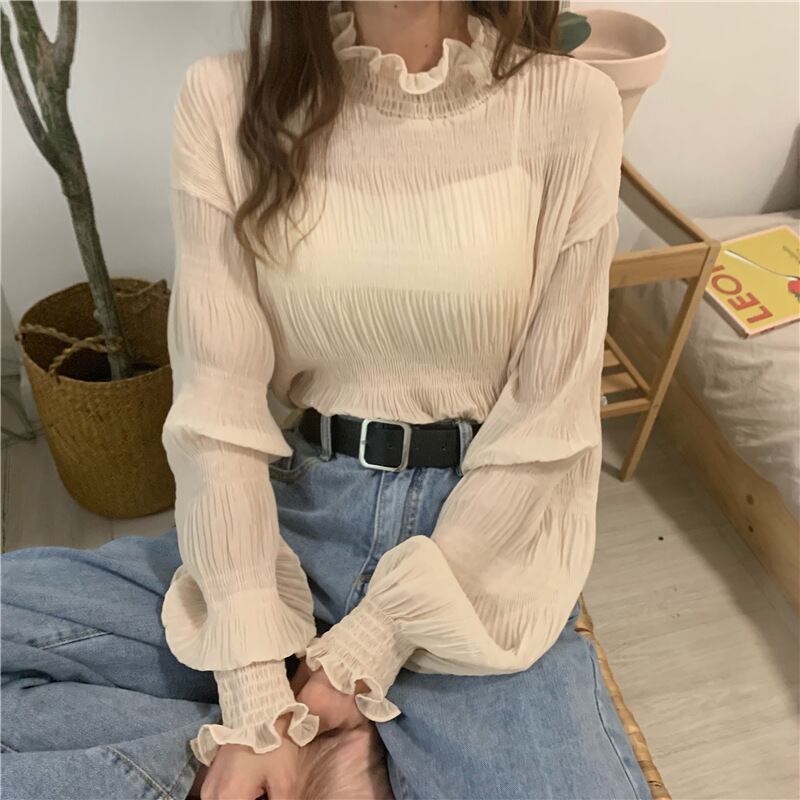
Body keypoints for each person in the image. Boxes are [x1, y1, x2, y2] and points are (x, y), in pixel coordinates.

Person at [1, 1, 653, 798]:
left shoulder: (571, 106)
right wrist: (256, 703)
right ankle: (294, 768)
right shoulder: (225, 99)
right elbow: (217, 416)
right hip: (295, 519)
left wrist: (372, 645)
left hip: (477, 546)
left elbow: (551, 423)